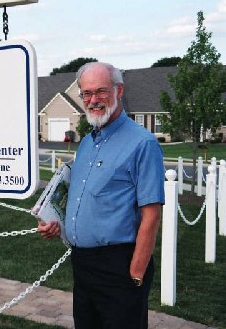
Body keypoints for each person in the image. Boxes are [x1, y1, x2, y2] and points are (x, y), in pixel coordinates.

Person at [38, 62, 165, 329]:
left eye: (101, 91)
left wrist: (136, 275)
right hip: (82, 264)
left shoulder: (143, 144)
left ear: (119, 90)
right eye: (86, 93)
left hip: (120, 266)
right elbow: (85, 198)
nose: (93, 100)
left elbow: (151, 215)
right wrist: (57, 224)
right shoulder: (86, 143)